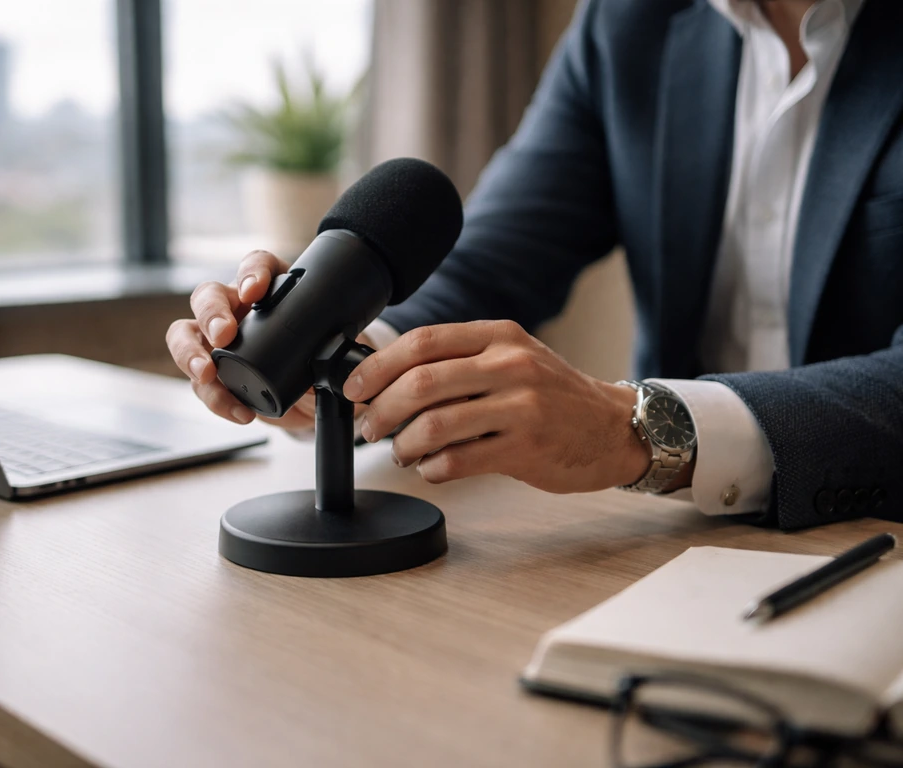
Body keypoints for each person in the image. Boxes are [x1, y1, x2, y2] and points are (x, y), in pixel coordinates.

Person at [167, 0, 903, 531]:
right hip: (666, 535)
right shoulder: (629, 23)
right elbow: (495, 258)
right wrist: (337, 350)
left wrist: (641, 430)